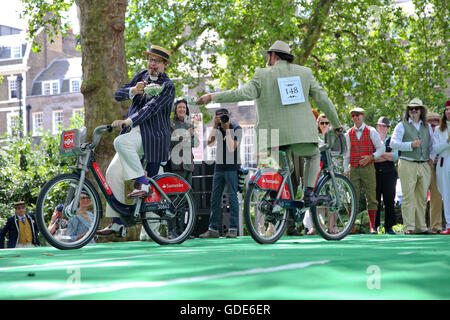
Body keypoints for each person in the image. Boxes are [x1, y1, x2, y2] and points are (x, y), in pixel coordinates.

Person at [197, 40, 342, 208]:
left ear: (273, 55)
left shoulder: (262, 74)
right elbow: (323, 99)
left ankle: (275, 200)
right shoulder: (304, 73)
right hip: (300, 135)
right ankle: (309, 193)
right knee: (313, 155)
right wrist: (337, 124)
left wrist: (213, 96)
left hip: (271, 137)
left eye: (268, 55)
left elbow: (242, 93)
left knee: (282, 169)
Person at [97, 45, 176, 236]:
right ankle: (118, 221)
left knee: (120, 142)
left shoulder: (168, 86)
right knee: (113, 173)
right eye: (150, 60)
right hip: (134, 134)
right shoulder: (141, 75)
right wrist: (133, 90)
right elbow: (118, 94)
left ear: (165, 65)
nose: (152, 64)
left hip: (153, 136)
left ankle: (143, 183)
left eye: (156, 61)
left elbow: (151, 109)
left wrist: (129, 121)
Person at [391, 98, 435, 235]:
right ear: (408, 111)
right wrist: (410, 145)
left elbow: (432, 145)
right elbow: (393, 143)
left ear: (421, 110)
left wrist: (431, 158)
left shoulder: (427, 127)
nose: (413, 111)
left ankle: (421, 227)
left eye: (416, 109)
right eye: (411, 109)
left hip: (424, 164)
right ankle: (409, 227)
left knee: (422, 198)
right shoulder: (401, 125)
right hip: (407, 162)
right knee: (408, 196)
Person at [199, 108, 242, 238]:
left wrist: (227, 128)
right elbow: (210, 143)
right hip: (219, 167)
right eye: (218, 117)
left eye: (223, 116)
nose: (222, 119)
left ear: (229, 116)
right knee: (214, 198)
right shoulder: (217, 128)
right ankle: (213, 229)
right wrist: (214, 125)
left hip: (232, 167)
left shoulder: (236, 128)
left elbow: (231, 146)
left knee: (232, 198)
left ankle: (233, 228)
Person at [343, 107, 385, 234]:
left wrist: (371, 157)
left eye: (358, 115)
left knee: (371, 196)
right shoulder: (348, 133)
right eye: (353, 115)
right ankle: (351, 226)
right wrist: (345, 169)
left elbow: (381, 149)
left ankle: (373, 226)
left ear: (363, 116)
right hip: (354, 168)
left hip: (368, 168)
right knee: (353, 196)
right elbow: (346, 154)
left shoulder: (371, 131)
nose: (356, 117)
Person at [164, 97, 199, 239]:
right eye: (179, 107)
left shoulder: (189, 125)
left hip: (188, 165)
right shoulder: (170, 124)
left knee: (185, 200)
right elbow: (171, 142)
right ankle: (171, 230)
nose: (182, 110)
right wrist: (186, 135)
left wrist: (191, 134)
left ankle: (183, 231)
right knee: (173, 198)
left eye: (184, 108)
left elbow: (195, 143)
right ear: (175, 109)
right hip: (175, 165)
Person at [304, 114, 338, 235]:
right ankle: (316, 226)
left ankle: (332, 225)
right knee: (312, 196)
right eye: (322, 123)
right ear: (318, 124)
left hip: (330, 170)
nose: (324, 125)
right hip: (317, 169)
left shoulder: (333, 137)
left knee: (331, 197)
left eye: (327, 123)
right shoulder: (315, 136)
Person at [374, 116, 398, 235]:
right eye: (380, 125)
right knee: (375, 200)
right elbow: (372, 158)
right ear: (377, 127)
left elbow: (394, 157)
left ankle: (389, 227)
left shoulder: (392, 140)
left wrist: (379, 154)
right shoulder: (373, 140)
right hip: (375, 173)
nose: (382, 128)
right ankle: (375, 226)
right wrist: (386, 155)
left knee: (389, 200)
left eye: (385, 126)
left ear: (388, 128)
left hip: (389, 173)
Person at [433, 101, 450, 235]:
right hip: (443, 163)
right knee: (446, 194)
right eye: (447, 110)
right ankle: (449, 224)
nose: (448, 112)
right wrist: (448, 142)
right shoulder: (439, 129)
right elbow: (436, 148)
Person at [426, 111, 443, 233]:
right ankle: (419, 225)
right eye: (430, 121)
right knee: (420, 197)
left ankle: (436, 226)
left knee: (436, 198)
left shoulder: (443, 133)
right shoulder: (422, 133)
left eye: (435, 121)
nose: (433, 123)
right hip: (424, 166)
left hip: (439, 167)